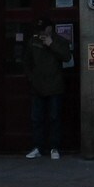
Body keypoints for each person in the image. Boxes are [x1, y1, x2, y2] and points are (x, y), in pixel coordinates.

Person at [24, 20, 66, 159]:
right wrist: (32, 78)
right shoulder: (33, 41)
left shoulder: (60, 41)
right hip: (37, 87)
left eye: (44, 29)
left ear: (50, 28)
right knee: (37, 119)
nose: (41, 32)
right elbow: (27, 62)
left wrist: (51, 44)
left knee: (54, 118)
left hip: (55, 87)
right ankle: (38, 147)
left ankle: (54, 148)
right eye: (39, 30)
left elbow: (67, 57)